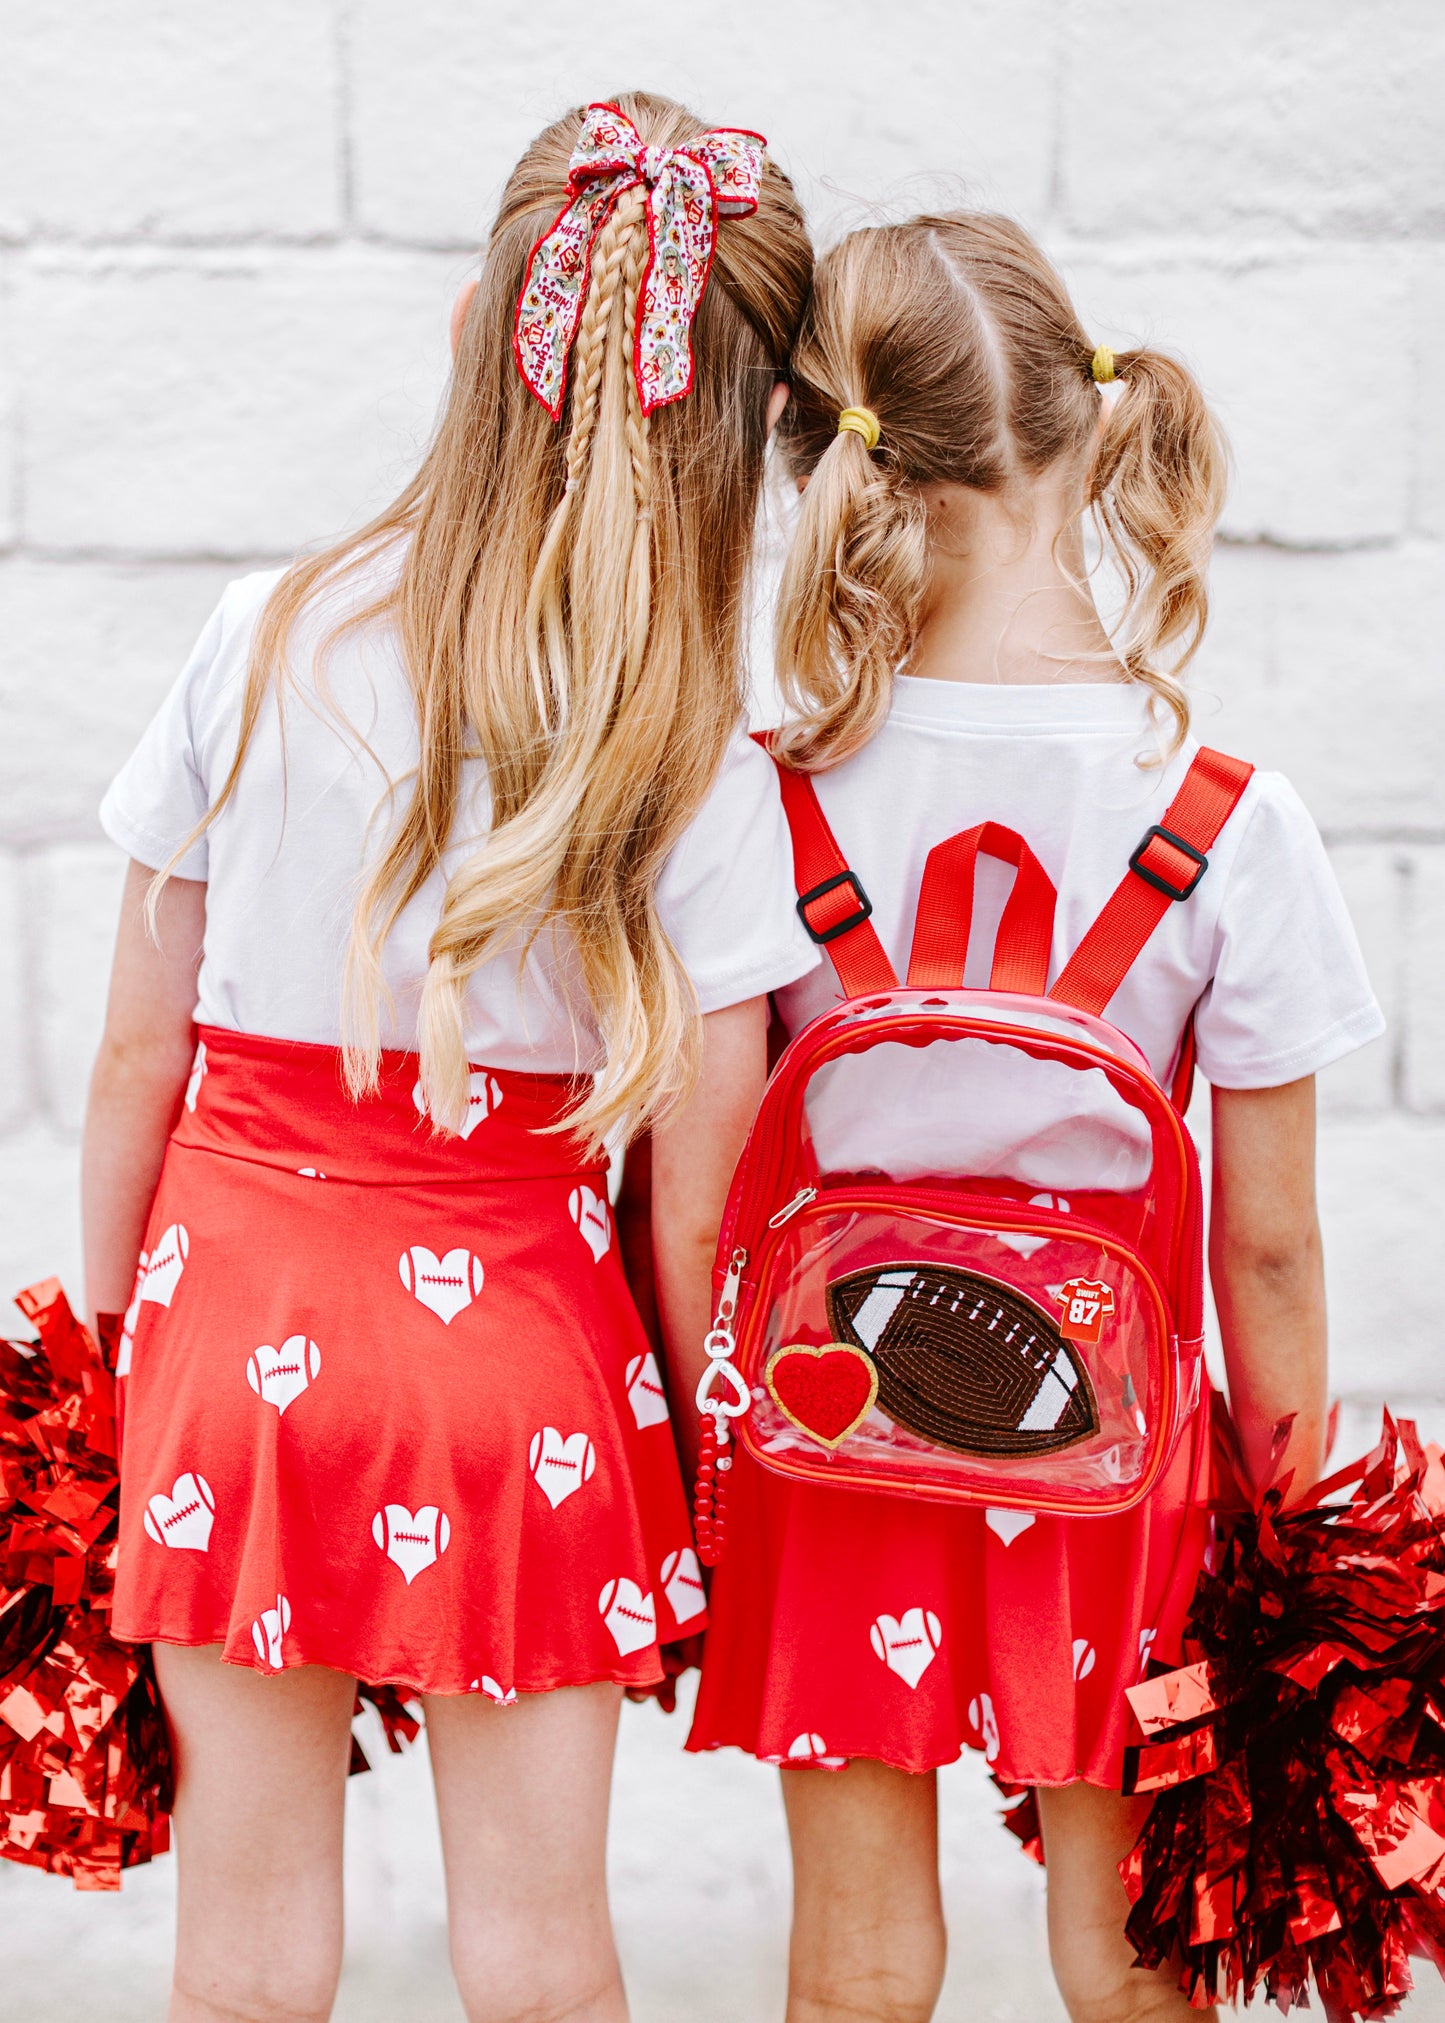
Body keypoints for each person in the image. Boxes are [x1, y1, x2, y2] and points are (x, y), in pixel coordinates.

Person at [82, 93, 816, 2023]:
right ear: (747, 427)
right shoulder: (701, 750)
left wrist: (107, 1354)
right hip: (522, 1372)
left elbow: (135, 1052)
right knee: (543, 1956)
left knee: (241, 1959)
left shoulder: (261, 636)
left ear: (490, 325)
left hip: (234, 1337)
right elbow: (704, 1181)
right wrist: (705, 1455)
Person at [683, 212, 1384, 2023]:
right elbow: (1272, 1242)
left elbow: (698, 1189)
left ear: (838, 461)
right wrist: (1284, 1539)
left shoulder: (766, 796)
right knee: (1127, 1949)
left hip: (828, 1419)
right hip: (1118, 1456)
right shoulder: (1228, 816)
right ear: (1089, 431)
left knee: (853, 1961)